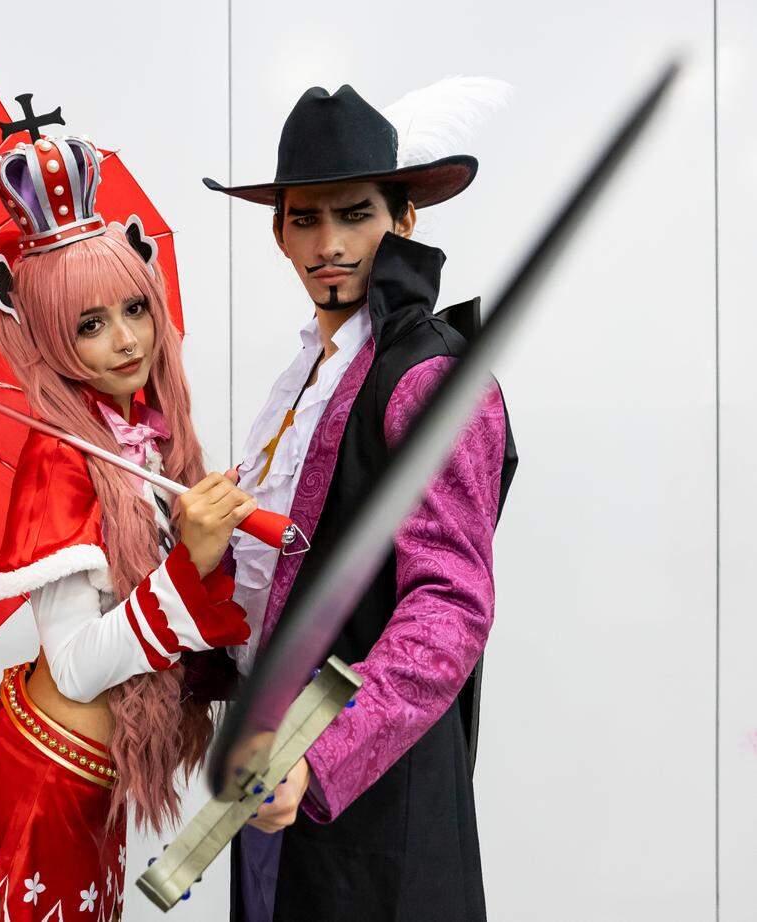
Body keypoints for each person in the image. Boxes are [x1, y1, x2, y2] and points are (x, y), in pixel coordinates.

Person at [0, 132, 255, 922]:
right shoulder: (59, 462)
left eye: (135, 308)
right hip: (42, 777)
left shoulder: (150, 435)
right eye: (89, 324)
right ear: (46, 337)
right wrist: (185, 566)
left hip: (91, 780)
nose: (127, 340)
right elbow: (71, 669)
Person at [202, 81, 519, 920]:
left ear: (403, 218)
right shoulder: (308, 372)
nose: (330, 243)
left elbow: (449, 606)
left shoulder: (427, 376)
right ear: (278, 232)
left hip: (372, 790)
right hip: (271, 773)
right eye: (304, 218)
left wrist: (320, 758)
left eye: (356, 214)